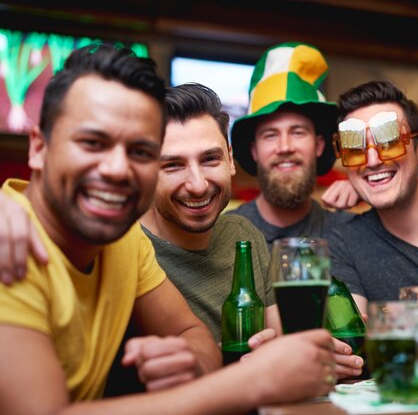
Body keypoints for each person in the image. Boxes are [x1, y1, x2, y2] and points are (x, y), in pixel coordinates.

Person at [0, 44, 336, 413]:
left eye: (139, 151)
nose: (116, 169)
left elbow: (189, 333)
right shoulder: (10, 239)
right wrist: (253, 380)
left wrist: (188, 361)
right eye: (92, 143)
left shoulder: (123, 240)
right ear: (38, 148)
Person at [139, 83, 279, 343]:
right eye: (172, 165)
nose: (198, 185)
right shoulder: (127, 250)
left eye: (210, 160)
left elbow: (280, 343)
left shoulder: (243, 236)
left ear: (230, 159)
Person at [326, 80, 418, 313]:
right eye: (355, 150)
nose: (373, 161)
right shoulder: (343, 242)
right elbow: (350, 339)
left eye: (389, 143)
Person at [228, 42, 353, 253]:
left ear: (319, 145)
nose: (284, 147)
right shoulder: (224, 237)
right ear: (254, 151)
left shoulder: (350, 232)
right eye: (270, 135)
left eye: (297, 132)